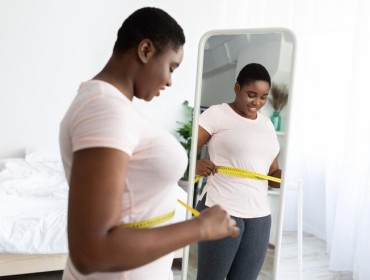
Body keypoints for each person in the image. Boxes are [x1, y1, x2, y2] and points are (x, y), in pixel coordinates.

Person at [59, 7, 239, 280]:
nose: (169, 80)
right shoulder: (105, 109)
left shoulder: (109, 105)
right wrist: (200, 228)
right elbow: (90, 252)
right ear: (145, 50)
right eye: (171, 67)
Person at [195, 63, 281, 280]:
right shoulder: (217, 114)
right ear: (237, 88)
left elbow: (272, 171)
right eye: (251, 95)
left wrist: (283, 177)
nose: (257, 103)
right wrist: (194, 165)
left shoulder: (267, 125)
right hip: (221, 206)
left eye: (263, 97)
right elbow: (184, 152)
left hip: (259, 215)